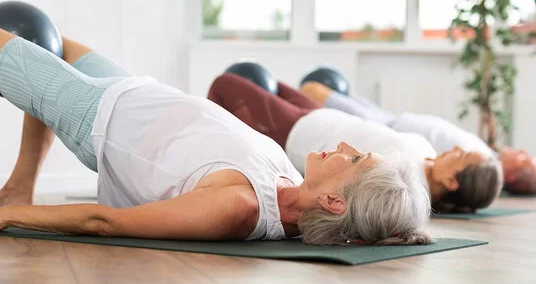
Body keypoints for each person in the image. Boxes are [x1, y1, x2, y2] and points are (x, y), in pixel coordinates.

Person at [0, 18, 432, 246]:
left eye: (355, 160)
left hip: (97, 117)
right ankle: (20, 180)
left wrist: (12, 219)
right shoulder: (286, 182)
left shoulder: (238, 207)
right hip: (130, 88)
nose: (344, 147)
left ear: (336, 203)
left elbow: (104, 222)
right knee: (56, 40)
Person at [207, 73, 503, 213]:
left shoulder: (403, 183)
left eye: (460, 156)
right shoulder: (427, 158)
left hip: (300, 133)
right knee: (267, 79)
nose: (454, 148)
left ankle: (207, 168)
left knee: (227, 84)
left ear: (451, 181)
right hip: (324, 115)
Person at [300, 80, 535, 194]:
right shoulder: (482, 153)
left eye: (525, 161)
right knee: (321, 93)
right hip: (390, 118)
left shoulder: (478, 165)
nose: (524, 152)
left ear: (511, 177)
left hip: (381, 124)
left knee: (313, 90)